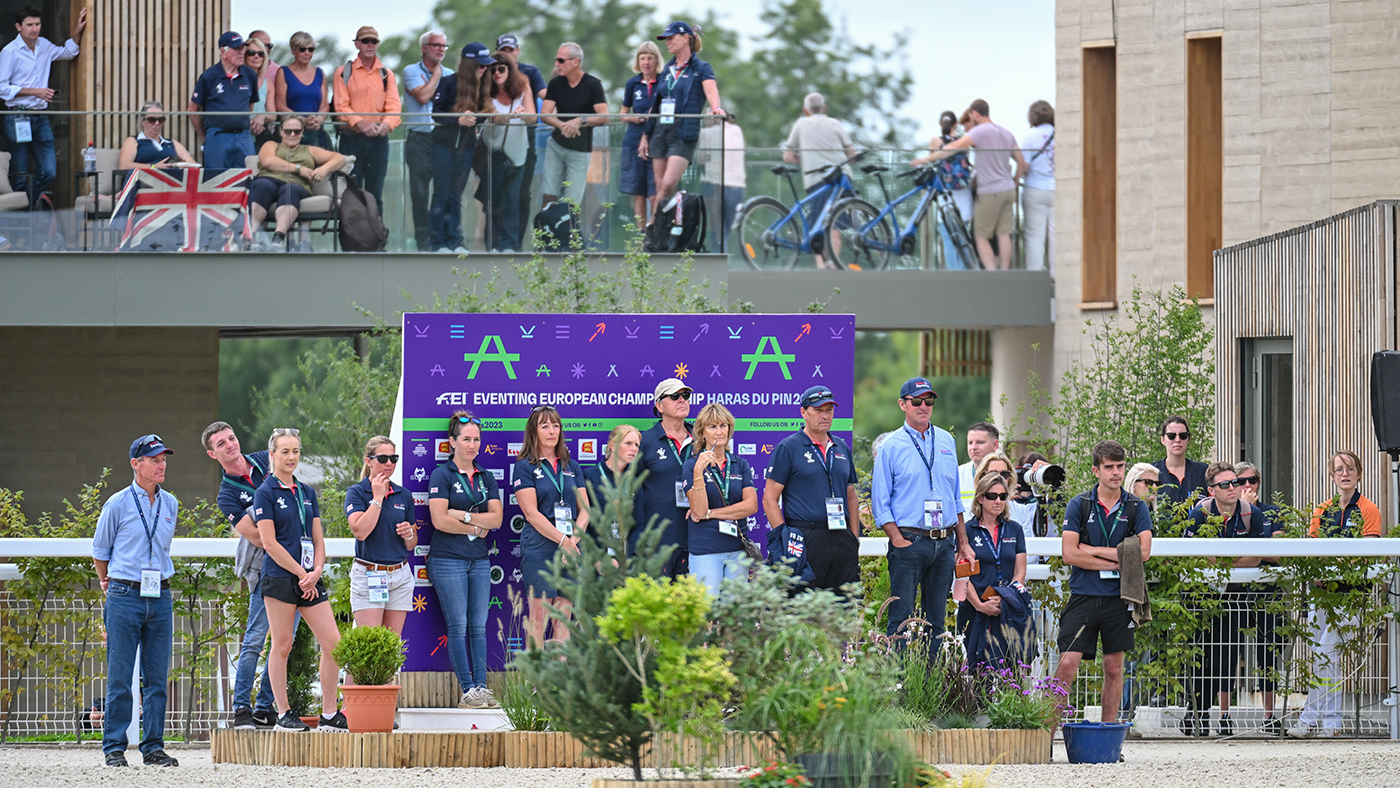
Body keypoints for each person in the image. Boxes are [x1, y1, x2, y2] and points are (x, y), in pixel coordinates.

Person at [92, 434, 179, 768]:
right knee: (119, 676)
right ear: (136, 464)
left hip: (160, 595)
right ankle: (114, 746)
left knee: (157, 678)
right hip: (124, 594)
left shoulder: (170, 504)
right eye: (155, 460)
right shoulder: (117, 503)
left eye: (164, 459)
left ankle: (153, 746)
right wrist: (107, 582)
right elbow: (101, 551)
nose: (162, 465)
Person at [1053, 440, 1153, 725]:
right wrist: (1120, 557)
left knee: (1113, 666)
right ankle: (1044, 740)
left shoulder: (1135, 506)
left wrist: (1092, 549)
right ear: (1096, 470)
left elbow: (1143, 553)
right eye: (1109, 467)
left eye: (1120, 466)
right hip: (1083, 594)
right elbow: (1069, 553)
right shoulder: (1080, 504)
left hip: (1119, 597)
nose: (1116, 473)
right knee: (1067, 664)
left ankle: (1110, 736)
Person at [254, 428, 346, 733]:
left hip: (310, 578)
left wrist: (317, 571)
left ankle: (330, 713)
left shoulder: (307, 493)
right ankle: (283, 713)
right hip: (282, 577)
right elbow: (269, 542)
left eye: (295, 451)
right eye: (285, 451)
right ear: (272, 455)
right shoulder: (265, 492)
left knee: (333, 643)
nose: (291, 457)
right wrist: (300, 572)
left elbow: (318, 539)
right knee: (282, 644)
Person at [872, 376, 974, 641]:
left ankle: (930, 681)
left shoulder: (946, 441)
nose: (923, 406)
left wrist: (962, 542)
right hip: (910, 539)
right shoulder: (890, 447)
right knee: (901, 619)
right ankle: (898, 682)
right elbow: (880, 502)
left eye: (928, 400)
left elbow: (955, 498)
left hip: (943, 542)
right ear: (902, 404)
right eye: (916, 401)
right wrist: (897, 539)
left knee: (936, 621)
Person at [1289, 450, 1381, 738]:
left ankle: (1319, 720)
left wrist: (1336, 565)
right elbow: (1313, 550)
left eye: (1350, 469)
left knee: (1327, 652)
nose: (1345, 474)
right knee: (1321, 654)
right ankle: (1324, 721)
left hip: (1351, 595)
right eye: (1339, 469)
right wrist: (1324, 568)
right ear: (1332, 476)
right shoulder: (1322, 510)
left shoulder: (1368, 509)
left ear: (1359, 474)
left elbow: (1369, 553)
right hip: (1321, 594)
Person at [203, 421, 287, 731]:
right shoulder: (227, 495)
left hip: (293, 562)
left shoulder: (265, 459)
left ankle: (266, 707)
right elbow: (255, 536)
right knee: (254, 639)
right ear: (213, 454)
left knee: (284, 641)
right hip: (265, 569)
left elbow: (293, 499)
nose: (230, 445)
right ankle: (241, 708)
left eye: (231, 438)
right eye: (221, 444)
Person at [1182, 462, 1268, 737]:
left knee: (1227, 655)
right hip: (1200, 594)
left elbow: (1256, 556)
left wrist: (1220, 559)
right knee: (1199, 653)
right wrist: (1232, 559)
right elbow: (1196, 555)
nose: (1234, 488)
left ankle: (1222, 715)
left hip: (1235, 596)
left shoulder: (1250, 513)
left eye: (1236, 483)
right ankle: (1196, 713)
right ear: (1211, 490)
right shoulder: (1199, 513)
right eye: (1225, 484)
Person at [427, 413, 503, 709]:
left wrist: (462, 514)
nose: (472, 445)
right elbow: (438, 520)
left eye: (476, 440)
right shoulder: (441, 474)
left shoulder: (486, 476)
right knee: (458, 625)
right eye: (466, 439)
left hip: (479, 560)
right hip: (448, 559)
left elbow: (496, 519)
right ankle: (468, 689)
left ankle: (482, 688)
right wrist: (474, 527)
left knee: (478, 627)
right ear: (452, 442)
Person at [764, 385, 862, 594]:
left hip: (841, 536)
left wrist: (853, 537)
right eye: (818, 410)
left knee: (842, 605)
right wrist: (783, 538)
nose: (825, 415)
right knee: (801, 604)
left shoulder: (841, 447)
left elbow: (851, 497)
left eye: (829, 410)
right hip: (806, 535)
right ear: (803, 412)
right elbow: (769, 499)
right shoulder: (789, 447)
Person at [512, 406, 590, 647]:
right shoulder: (525, 466)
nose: (552, 431)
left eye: (555, 425)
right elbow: (531, 514)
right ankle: (537, 682)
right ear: (533, 431)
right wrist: (563, 541)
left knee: (564, 616)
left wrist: (572, 542)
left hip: (571, 548)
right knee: (539, 615)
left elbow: (585, 510)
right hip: (540, 547)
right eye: (545, 426)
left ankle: (558, 679)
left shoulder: (571, 465)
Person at [915, 99, 1025, 270]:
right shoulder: (1006, 133)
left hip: (989, 190)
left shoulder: (980, 131)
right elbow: (1022, 163)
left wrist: (925, 159)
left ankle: (991, 274)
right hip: (1008, 190)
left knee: (980, 235)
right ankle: (1004, 273)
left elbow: (952, 147)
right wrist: (1015, 182)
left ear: (975, 114)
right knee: (1004, 234)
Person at [0, 5, 86, 206]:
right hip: (17, 116)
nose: (34, 28)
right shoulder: (9, 52)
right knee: (20, 173)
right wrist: (34, 91)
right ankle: (28, 217)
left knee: (49, 171)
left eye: (37, 24)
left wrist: (77, 33)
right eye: (29, 24)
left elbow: (68, 53)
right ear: (18, 27)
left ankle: (31, 204)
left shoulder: (45, 45)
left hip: (40, 117)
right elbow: (1, 87)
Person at [640, 21, 724, 223]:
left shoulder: (701, 68)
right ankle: (667, 232)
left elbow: (711, 90)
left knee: (668, 185)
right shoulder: (668, 69)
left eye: (671, 38)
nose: (667, 42)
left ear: (686, 38)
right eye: (665, 39)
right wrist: (645, 135)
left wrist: (716, 107)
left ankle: (652, 228)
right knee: (661, 189)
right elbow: (656, 103)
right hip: (660, 131)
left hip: (683, 132)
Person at [682, 403, 758, 597]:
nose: (719, 431)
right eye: (712, 426)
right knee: (706, 614)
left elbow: (751, 505)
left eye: (723, 426)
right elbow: (698, 510)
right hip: (706, 550)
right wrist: (699, 470)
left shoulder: (740, 464)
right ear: (702, 432)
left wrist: (711, 514)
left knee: (733, 614)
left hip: (737, 549)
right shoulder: (692, 465)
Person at [346, 436, 417, 635]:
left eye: (393, 459)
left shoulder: (403, 494)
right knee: (371, 645)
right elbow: (360, 531)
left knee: (391, 647)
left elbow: (412, 544)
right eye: (383, 458)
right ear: (368, 461)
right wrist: (377, 498)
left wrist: (408, 533)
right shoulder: (357, 492)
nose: (389, 463)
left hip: (399, 573)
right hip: (371, 573)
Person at [958, 472, 1030, 664]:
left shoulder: (1014, 529)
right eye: (992, 496)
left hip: (1006, 607)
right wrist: (980, 606)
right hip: (974, 607)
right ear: (980, 498)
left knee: (1011, 669)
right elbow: (962, 576)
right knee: (979, 671)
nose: (998, 501)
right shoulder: (967, 530)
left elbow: (1020, 571)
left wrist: (1006, 598)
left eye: (1003, 496)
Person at [1236, 460, 1286, 732]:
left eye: (1252, 480)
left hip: (1268, 592)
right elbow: (1226, 552)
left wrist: (1252, 512)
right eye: (1241, 481)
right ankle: (1222, 716)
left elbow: (1278, 552)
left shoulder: (1272, 511)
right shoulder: (1227, 512)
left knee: (1270, 653)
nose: (1247, 486)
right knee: (1226, 652)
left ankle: (1270, 716)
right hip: (1235, 593)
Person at [246, 115, 345, 251]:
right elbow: (268, 161)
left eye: (297, 131)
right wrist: (299, 169)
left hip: (296, 185)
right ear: (281, 131)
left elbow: (339, 158)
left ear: (302, 132)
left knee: (290, 189)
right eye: (288, 131)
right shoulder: (271, 145)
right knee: (263, 185)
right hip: (268, 180)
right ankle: (249, 237)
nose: (292, 134)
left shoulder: (309, 150)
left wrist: (323, 169)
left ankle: (278, 239)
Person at [429, 42, 492, 254]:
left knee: (456, 196)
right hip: (442, 146)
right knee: (441, 194)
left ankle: (456, 241)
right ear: (469, 64)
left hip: (466, 148)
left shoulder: (483, 85)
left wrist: (476, 118)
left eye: (486, 66)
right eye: (481, 65)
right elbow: (436, 113)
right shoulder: (448, 82)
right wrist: (458, 119)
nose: (485, 69)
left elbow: (484, 114)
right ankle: (437, 242)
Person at [782, 92, 856, 269]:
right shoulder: (834, 123)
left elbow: (787, 156)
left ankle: (820, 266)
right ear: (824, 108)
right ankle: (834, 265)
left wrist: (806, 160)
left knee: (818, 220)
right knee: (835, 223)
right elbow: (852, 153)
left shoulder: (800, 124)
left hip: (815, 178)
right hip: (839, 176)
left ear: (805, 110)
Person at [333, 26, 401, 215]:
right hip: (351, 138)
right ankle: (353, 242)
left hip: (379, 140)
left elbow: (394, 107)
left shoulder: (387, 74)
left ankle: (376, 241)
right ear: (357, 44)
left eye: (374, 41)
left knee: (376, 193)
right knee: (351, 192)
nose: (370, 45)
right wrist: (360, 123)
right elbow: (341, 105)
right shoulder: (343, 72)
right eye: (365, 41)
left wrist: (386, 125)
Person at [636, 378, 695, 577]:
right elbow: (630, 492)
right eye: (674, 396)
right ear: (659, 405)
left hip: (696, 540)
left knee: (689, 607)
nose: (682, 400)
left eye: (685, 396)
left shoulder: (701, 439)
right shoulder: (645, 441)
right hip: (657, 543)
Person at [539, 42, 608, 209]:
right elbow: (545, 114)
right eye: (557, 60)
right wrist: (562, 125)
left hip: (581, 150)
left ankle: (570, 235)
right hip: (556, 145)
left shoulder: (593, 84)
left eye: (561, 60)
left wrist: (580, 120)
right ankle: (544, 235)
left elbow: (604, 116)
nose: (556, 64)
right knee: (548, 195)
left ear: (575, 62)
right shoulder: (556, 83)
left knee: (572, 202)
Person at [494, 33, 547, 248]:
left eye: (511, 49)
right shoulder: (492, 71)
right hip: (496, 138)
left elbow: (546, 94)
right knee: (496, 194)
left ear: (518, 51)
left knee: (521, 194)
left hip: (526, 135)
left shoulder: (529, 72)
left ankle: (515, 243)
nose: (508, 54)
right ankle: (495, 242)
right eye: (503, 50)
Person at [402, 31, 452, 251]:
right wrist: (436, 77)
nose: (441, 49)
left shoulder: (450, 74)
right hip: (418, 137)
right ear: (424, 48)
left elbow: (448, 103)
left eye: (443, 45)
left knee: (443, 191)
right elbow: (422, 97)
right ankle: (423, 241)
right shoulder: (411, 70)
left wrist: (434, 85)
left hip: (442, 137)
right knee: (420, 192)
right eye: (436, 45)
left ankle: (440, 239)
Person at [480, 50, 534, 252]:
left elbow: (532, 118)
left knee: (512, 199)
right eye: (493, 69)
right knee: (493, 200)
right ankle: (492, 244)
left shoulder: (523, 86)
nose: (497, 73)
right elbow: (493, 117)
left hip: (517, 152)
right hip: (492, 153)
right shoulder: (485, 90)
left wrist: (523, 113)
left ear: (509, 70)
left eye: (501, 68)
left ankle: (510, 244)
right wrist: (512, 114)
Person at [189, 31, 258, 169]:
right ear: (223, 51)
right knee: (216, 179)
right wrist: (206, 136)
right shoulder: (209, 76)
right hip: (218, 135)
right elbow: (192, 110)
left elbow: (250, 105)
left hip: (244, 135)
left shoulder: (249, 74)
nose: (241, 52)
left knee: (248, 177)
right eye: (237, 49)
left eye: (243, 48)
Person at [915, 110, 973, 269]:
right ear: (956, 124)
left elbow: (931, 162)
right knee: (963, 235)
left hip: (945, 192)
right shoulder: (963, 141)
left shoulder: (935, 141)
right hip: (963, 191)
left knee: (947, 236)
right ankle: (964, 274)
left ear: (941, 124)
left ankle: (953, 274)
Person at [619, 41, 661, 229]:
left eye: (650, 58)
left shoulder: (663, 82)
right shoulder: (632, 83)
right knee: (638, 192)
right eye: (642, 58)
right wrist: (632, 118)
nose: (646, 62)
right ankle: (641, 236)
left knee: (655, 192)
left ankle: (655, 230)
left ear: (656, 61)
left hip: (656, 139)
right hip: (634, 139)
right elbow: (622, 113)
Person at [585, 424, 644, 554]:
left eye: (637, 445)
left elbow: (639, 526)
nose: (634, 449)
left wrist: (624, 557)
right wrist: (597, 557)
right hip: (594, 560)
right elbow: (583, 521)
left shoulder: (634, 483)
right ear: (612, 446)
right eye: (628, 443)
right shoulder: (589, 477)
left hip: (624, 561)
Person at [274, 31, 332, 150]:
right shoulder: (283, 72)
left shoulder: (320, 73)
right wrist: (301, 120)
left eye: (311, 49)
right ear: (293, 50)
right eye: (302, 49)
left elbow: (325, 105)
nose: (307, 53)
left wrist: (319, 119)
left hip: (316, 133)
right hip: (291, 133)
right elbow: (280, 105)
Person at [695, 112, 745, 252]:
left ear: (712, 119)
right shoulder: (737, 130)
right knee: (726, 229)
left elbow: (700, 159)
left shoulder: (706, 133)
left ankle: (716, 254)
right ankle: (725, 255)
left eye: (706, 118)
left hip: (714, 184)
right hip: (737, 185)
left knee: (713, 224)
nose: (704, 122)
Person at [1020, 100, 1054, 272]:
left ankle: (1034, 276)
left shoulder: (1030, 137)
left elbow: (1023, 164)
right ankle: (1058, 277)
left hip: (1034, 188)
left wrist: (1015, 178)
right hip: (1058, 189)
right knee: (1056, 237)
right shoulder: (1061, 134)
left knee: (1034, 237)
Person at [1151, 415, 1209, 507]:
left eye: (1183, 435)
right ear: (1163, 440)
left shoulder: (1203, 471)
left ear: (1188, 439)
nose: (1177, 440)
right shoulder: (1152, 472)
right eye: (1171, 436)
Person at [118, 102, 195, 170]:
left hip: (171, 181)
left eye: (161, 120)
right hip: (145, 180)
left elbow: (194, 165)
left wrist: (182, 164)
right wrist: (153, 167)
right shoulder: (134, 141)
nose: (157, 123)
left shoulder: (172, 143)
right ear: (143, 122)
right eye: (152, 119)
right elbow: (124, 166)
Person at [243, 37, 275, 150]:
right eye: (251, 53)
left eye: (261, 53)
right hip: (240, 134)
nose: (256, 56)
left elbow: (273, 115)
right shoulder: (236, 80)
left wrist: (262, 116)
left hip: (261, 136)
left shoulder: (268, 83)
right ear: (244, 56)